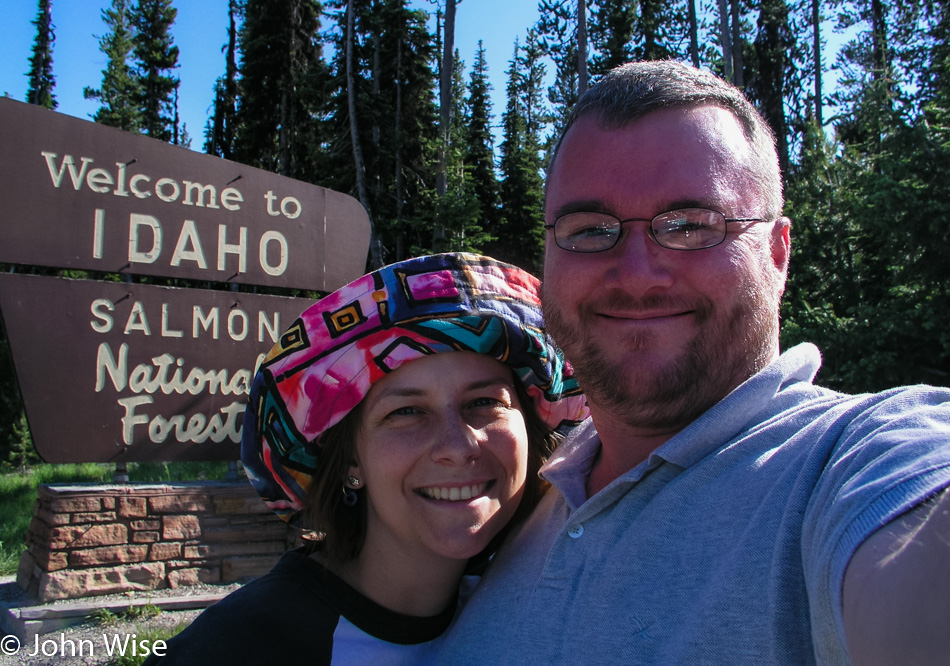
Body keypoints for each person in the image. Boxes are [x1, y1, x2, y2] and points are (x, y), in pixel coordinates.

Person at [439, 61, 950, 665]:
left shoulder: (852, 463)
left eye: (690, 226)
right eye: (590, 229)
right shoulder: (508, 500)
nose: (635, 276)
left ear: (777, 254)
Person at [145, 252, 586, 664]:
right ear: (351, 460)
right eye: (407, 412)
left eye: (485, 402)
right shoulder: (236, 649)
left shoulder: (536, 608)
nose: (457, 446)